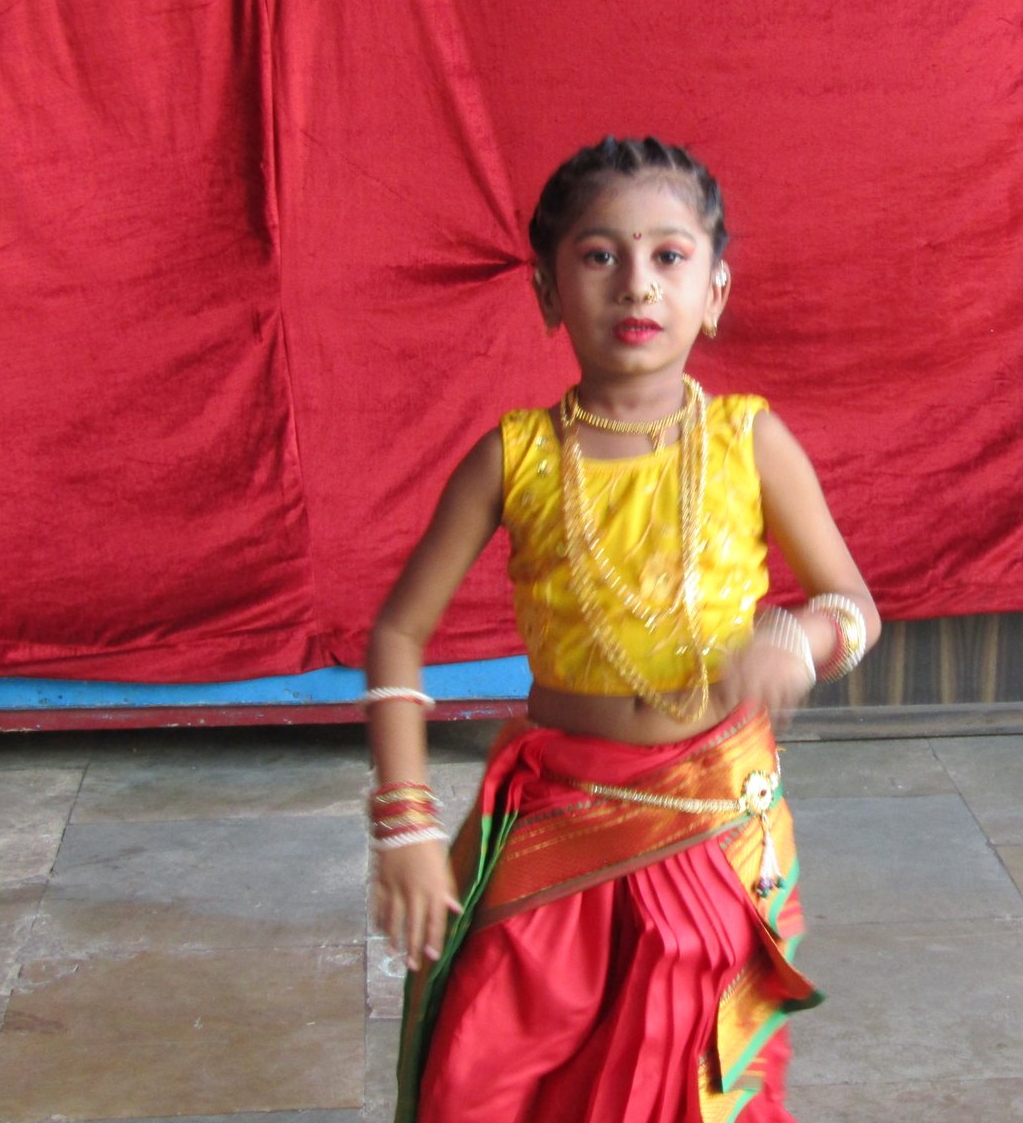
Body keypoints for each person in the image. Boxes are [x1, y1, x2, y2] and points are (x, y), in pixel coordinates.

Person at [362, 136, 881, 1123]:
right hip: (558, 813)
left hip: (713, 814)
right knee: (489, 1067)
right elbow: (397, 634)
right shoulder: (512, 457)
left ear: (714, 292)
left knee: (688, 1078)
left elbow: (854, 605)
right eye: (600, 255)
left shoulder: (752, 443)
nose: (636, 284)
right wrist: (406, 822)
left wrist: (804, 639)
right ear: (548, 293)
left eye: (668, 256)